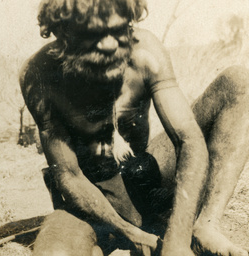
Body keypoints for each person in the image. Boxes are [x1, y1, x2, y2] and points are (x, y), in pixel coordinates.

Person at [19, 0, 249, 255]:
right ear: (63, 33)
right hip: (92, 199)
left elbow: (189, 139)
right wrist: (131, 232)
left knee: (238, 83)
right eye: (94, 34)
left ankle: (206, 226)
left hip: (144, 173)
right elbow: (69, 176)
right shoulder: (39, 74)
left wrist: (178, 242)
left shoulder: (144, 50)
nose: (109, 44)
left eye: (117, 30)